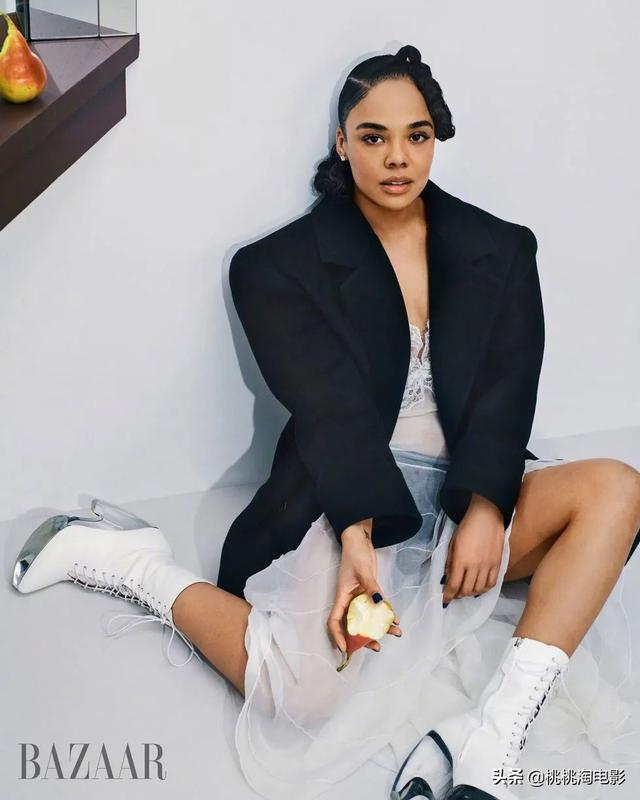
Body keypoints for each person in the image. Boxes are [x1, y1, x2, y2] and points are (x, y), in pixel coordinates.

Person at [11, 44, 640, 800]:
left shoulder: (501, 247)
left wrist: (488, 506)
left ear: (435, 138)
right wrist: (357, 542)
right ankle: (134, 564)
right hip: (355, 489)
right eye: (374, 137)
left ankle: (491, 736)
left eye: (416, 136)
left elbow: (508, 391)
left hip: (463, 489)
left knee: (618, 489)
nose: (398, 158)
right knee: (300, 699)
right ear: (342, 142)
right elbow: (330, 410)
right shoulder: (275, 267)